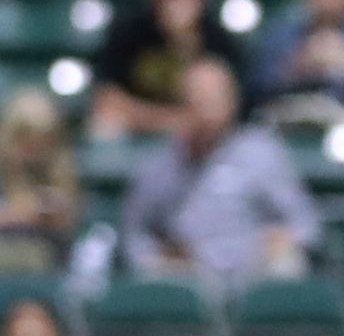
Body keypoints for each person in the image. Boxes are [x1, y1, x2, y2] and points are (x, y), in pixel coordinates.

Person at [120, 61, 315, 287]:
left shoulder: (261, 153)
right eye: (197, 99)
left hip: (252, 272)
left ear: (231, 102)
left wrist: (283, 237)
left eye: (212, 99)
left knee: (287, 264)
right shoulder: (161, 164)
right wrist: (156, 256)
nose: (205, 110)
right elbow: (135, 232)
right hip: (188, 276)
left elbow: (306, 224)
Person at [91, 0, 236, 136]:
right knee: (105, 123)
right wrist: (173, 121)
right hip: (138, 128)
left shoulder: (218, 38)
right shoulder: (129, 30)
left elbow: (220, 111)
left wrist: (185, 40)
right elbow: (107, 100)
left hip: (200, 140)